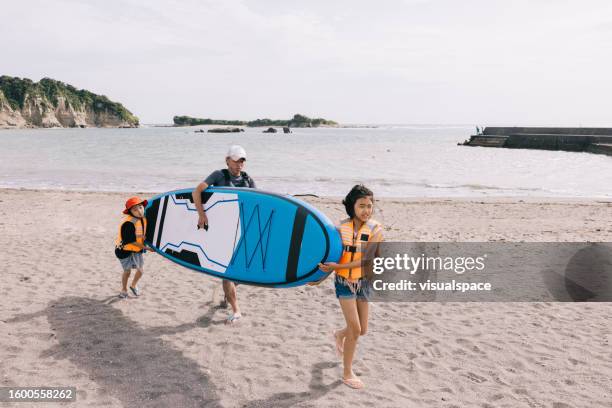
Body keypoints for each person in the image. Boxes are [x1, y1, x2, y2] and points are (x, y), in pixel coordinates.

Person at [311, 185, 383, 389]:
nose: (366, 210)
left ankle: (339, 334)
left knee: (363, 330)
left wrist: (337, 266)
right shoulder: (340, 229)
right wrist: (319, 278)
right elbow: (331, 258)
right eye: (362, 206)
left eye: (370, 206)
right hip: (344, 283)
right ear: (352, 206)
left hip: (364, 282)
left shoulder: (376, 229)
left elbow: (367, 260)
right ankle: (347, 373)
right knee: (355, 328)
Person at [192, 145, 256, 324]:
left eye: (242, 161)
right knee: (228, 272)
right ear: (227, 160)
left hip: (241, 231)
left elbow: (258, 203)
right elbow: (197, 191)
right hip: (222, 232)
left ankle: (228, 293)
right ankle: (236, 310)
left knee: (242, 272)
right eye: (235, 160)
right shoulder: (218, 175)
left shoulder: (248, 180)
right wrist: (202, 214)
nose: (239, 164)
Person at [115, 196, 149, 299]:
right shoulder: (129, 223)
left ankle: (133, 285)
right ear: (130, 212)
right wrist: (147, 248)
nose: (139, 211)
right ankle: (124, 290)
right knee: (127, 271)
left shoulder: (143, 218)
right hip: (123, 250)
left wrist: (143, 238)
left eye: (140, 207)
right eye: (135, 209)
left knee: (140, 270)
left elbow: (139, 234)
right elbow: (131, 241)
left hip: (136, 250)